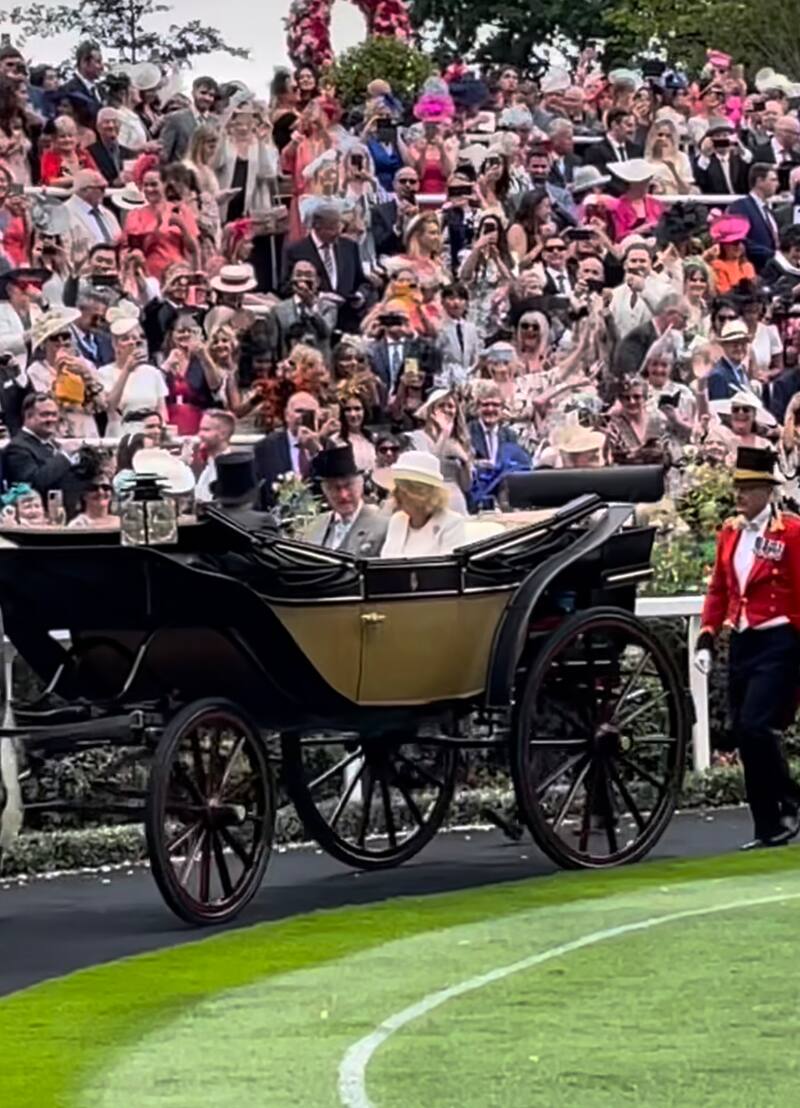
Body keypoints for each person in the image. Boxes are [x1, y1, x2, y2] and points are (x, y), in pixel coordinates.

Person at [694, 446, 800, 850]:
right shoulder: (730, 531)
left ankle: (788, 800)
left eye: (748, 487)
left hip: (778, 640)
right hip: (742, 640)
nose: (740, 495)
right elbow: (719, 589)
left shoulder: (790, 532)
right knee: (744, 732)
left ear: (766, 491)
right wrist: (707, 636)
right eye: (738, 486)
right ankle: (767, 823)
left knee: (758, 725)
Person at [280, 202, 367, 333]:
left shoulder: (349, 247)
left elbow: (362, 281)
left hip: (348, 323)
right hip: (314, 326)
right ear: (317, 226)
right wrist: (318, 297)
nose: (338, 233)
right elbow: (285, 287)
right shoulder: (296, 250)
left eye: (339, 227)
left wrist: (360, 295)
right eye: (332, 229)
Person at [377, 451, 466, 558]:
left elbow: (447, 570)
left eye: (401, 490)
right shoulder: (397, 520)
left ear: (419, 494)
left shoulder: (451, 523)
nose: (395, 494)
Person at [304, 444, 387, 556]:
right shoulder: (314, 528)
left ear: (361, 484)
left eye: (348, 486)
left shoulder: (382, 525)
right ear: (325, 490)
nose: (343, 495)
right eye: (335, 488)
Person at [2, 393, 76, 500]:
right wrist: (65, 456)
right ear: (28, 416)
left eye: (54, 414)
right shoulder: (17, 447)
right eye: (45, 415)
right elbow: (33, 483)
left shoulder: (55, 445)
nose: (51, 419)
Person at [729, 164, 780, 272]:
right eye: (773, 180)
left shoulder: (769, 211)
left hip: (773, 270)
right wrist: (773, 255)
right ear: (759, 181)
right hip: (753, 270)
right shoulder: (740, 207)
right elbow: (741, 239)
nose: (777, 184)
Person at [159, 76, 219, 163]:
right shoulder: (175, 119)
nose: (207, 98)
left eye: (211, 95)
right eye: (203, 93)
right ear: (193, 93)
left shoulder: (216, 123)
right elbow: (164, 154)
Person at [195, 409, 236, 502]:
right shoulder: (209, 466)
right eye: (200, 429)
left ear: (223, 434)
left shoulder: (231, 471)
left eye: (206, 430)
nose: (200, 434)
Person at [707, 319, 755, 399]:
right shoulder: (718, 376)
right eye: (735, 344)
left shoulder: (742, 369)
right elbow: (719, 408)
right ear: (724, 346)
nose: (739, 348)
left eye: (743, 344)